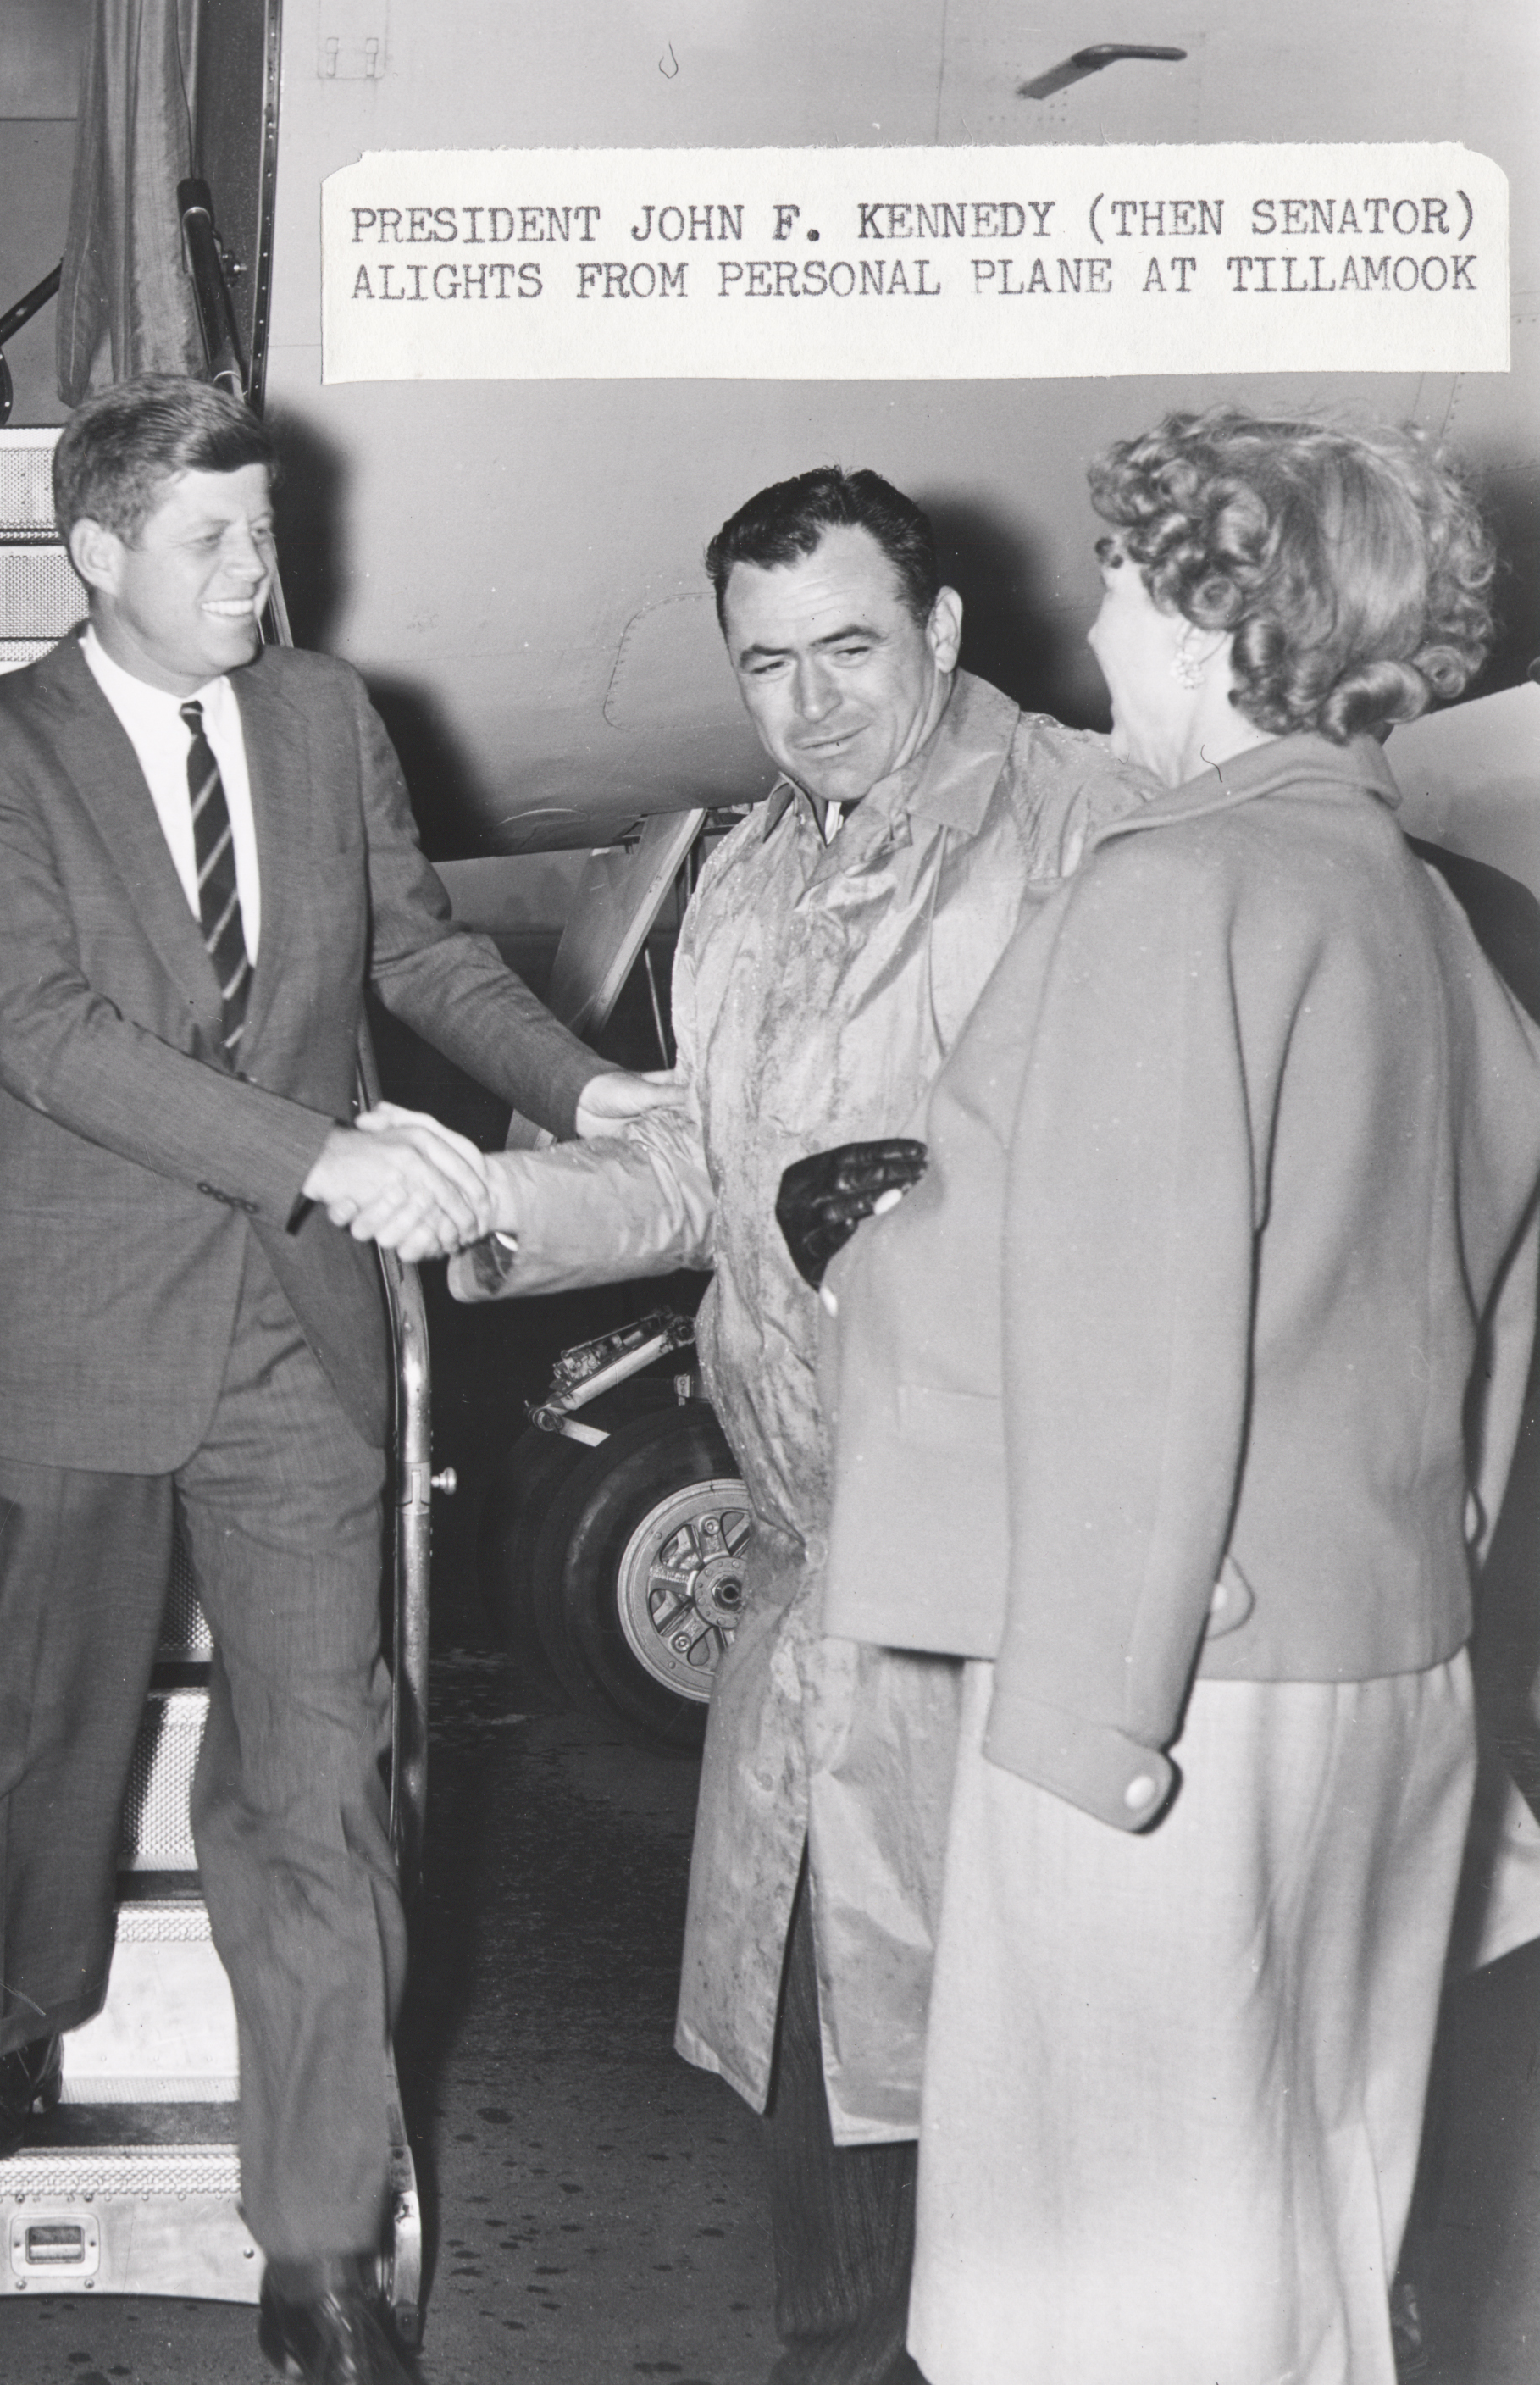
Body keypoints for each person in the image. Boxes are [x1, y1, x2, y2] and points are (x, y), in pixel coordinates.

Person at [0, 374, 650, 2385]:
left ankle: (319, 2239)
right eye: (213, 541)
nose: (259, 575)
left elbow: (411, 955)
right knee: (46, 1727)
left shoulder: (327, 720)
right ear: (97, 550)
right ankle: (15, 2002)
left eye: (267, 536)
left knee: (320, 1772)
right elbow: (47, 1031)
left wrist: (585, 1079)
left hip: (294, 1337)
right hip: (72, 1321)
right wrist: (323, 1148)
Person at [818, 408, 1540, 2385]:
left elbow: (1134, 1346)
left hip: (1163, 1692)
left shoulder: (1173, 894)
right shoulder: (1421, 918)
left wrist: (1084, 1721)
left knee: (1102, 2282)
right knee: (1302, 2232)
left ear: (1224, 627)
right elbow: (1482, 1331)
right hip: (1384, 1667)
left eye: (1128, 586)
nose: (1099, 629)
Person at [451, 467, 1150, 2385]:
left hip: (1019, 1572)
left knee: (1019, 2078)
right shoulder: (755, 864)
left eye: (848, 647)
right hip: (813, 1563)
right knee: (811, 2045)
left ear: (936, 633)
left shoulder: (1093, 829)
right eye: (765, 663)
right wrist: (474, 1205)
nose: (809, 700)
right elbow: (703, 1171)